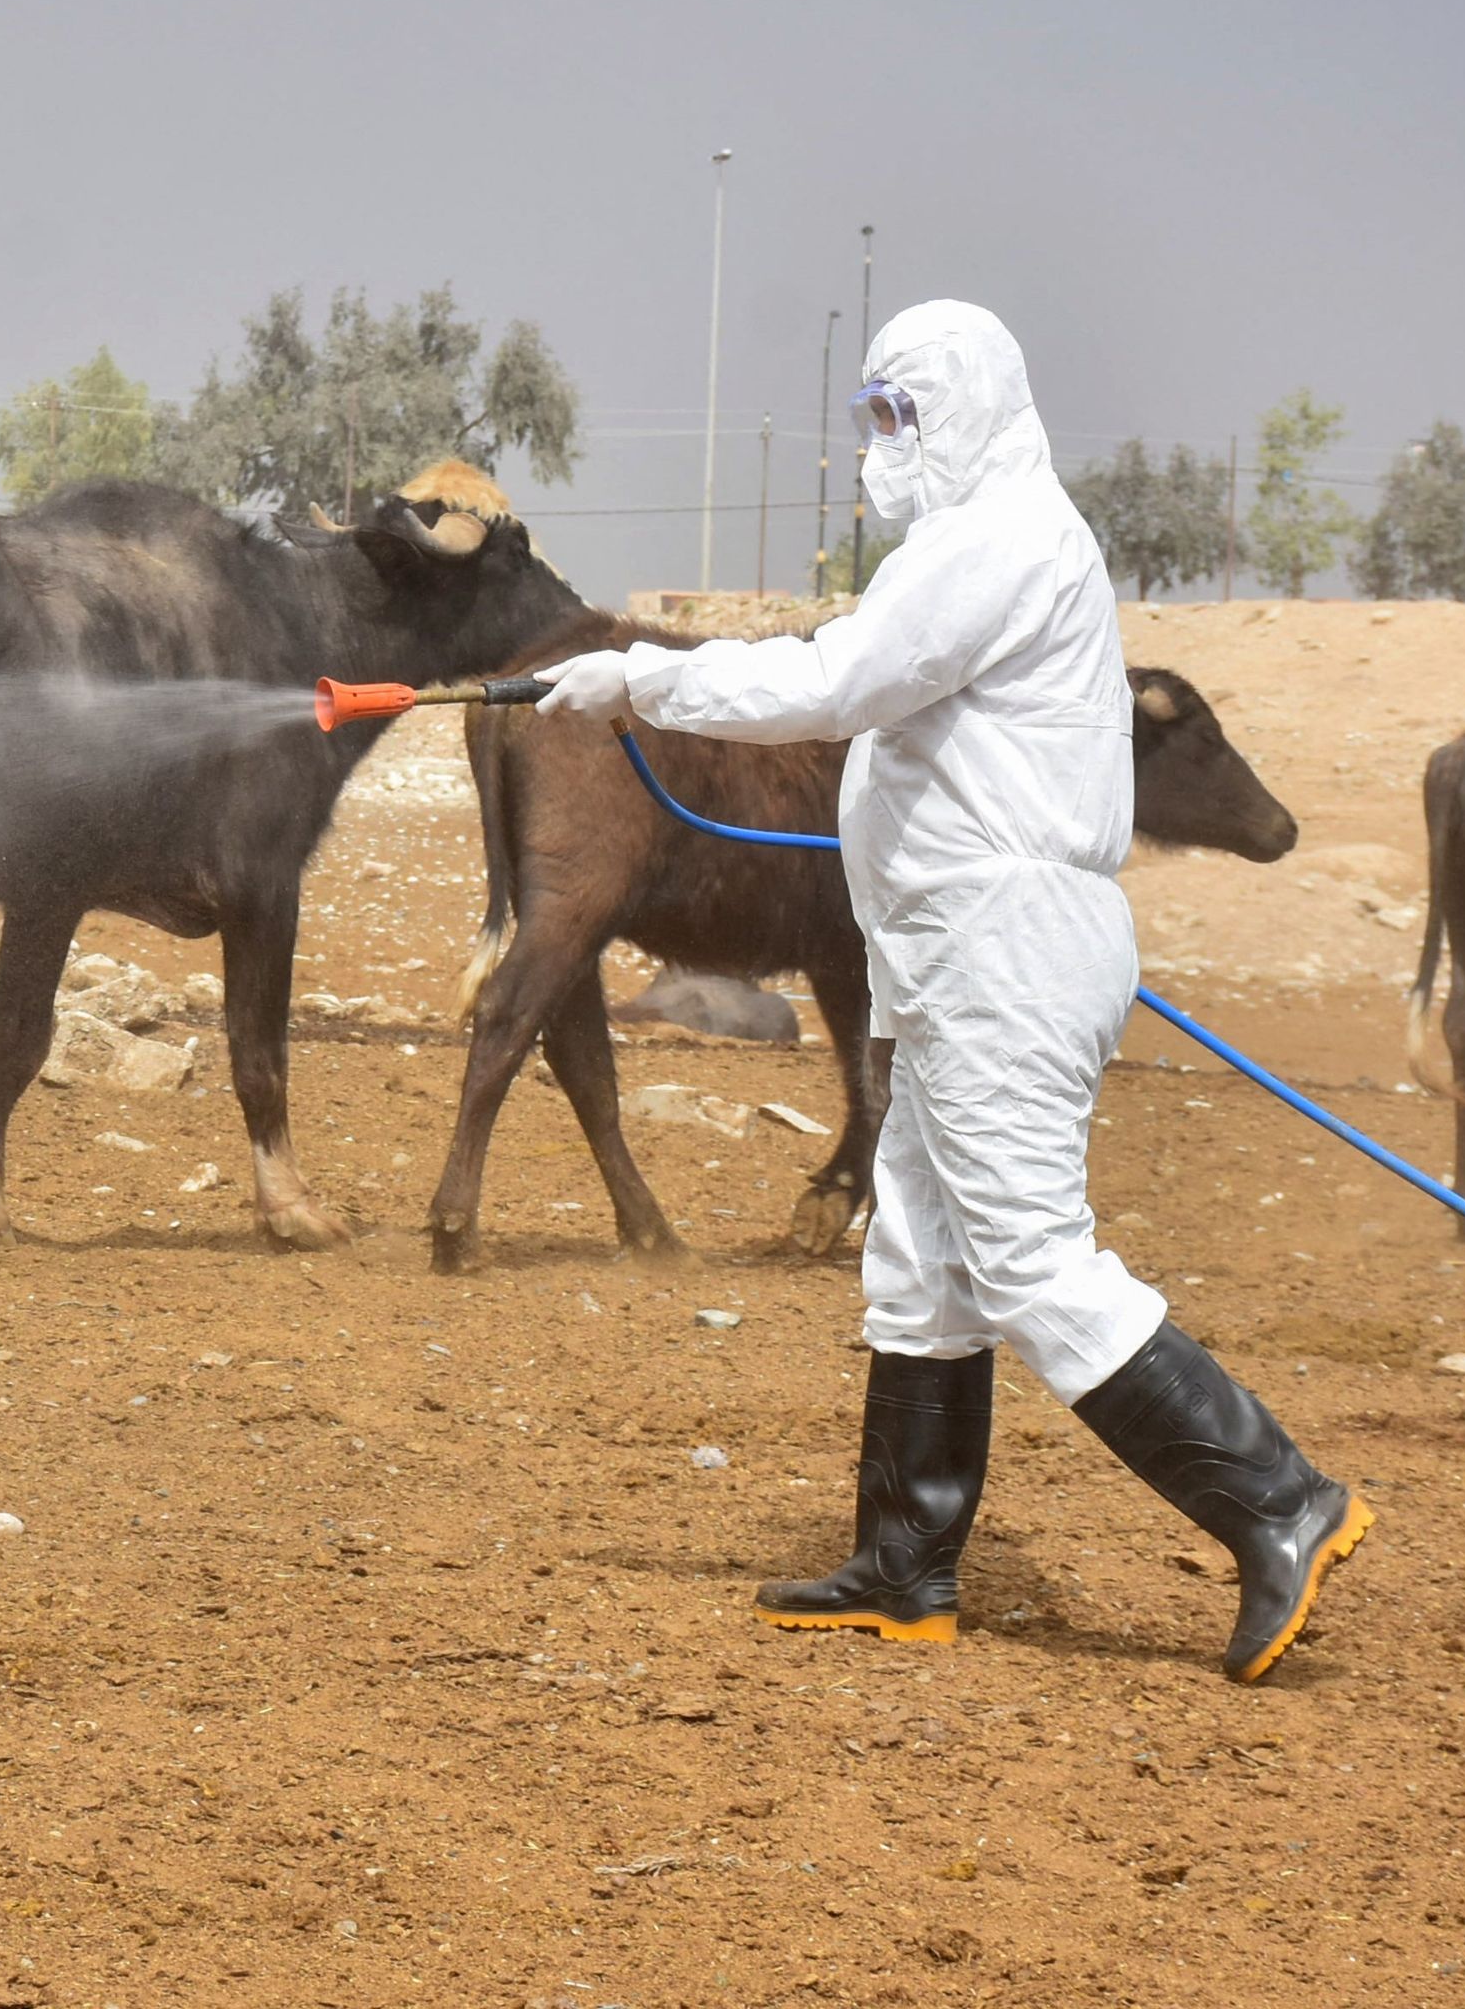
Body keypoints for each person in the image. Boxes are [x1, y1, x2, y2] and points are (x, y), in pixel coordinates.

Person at [532, 300, 1367, 1684]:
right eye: (875, 414)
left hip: (1007, 949)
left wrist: (643, 678)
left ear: (971, 407)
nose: (884, 443)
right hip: (956, 951)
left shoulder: (1003, 541)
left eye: (904, 413)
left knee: (1031, 1257)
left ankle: (1279, 1499)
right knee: (921, 1257)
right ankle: (906, 1562)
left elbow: (845, 676)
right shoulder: (979, 545)